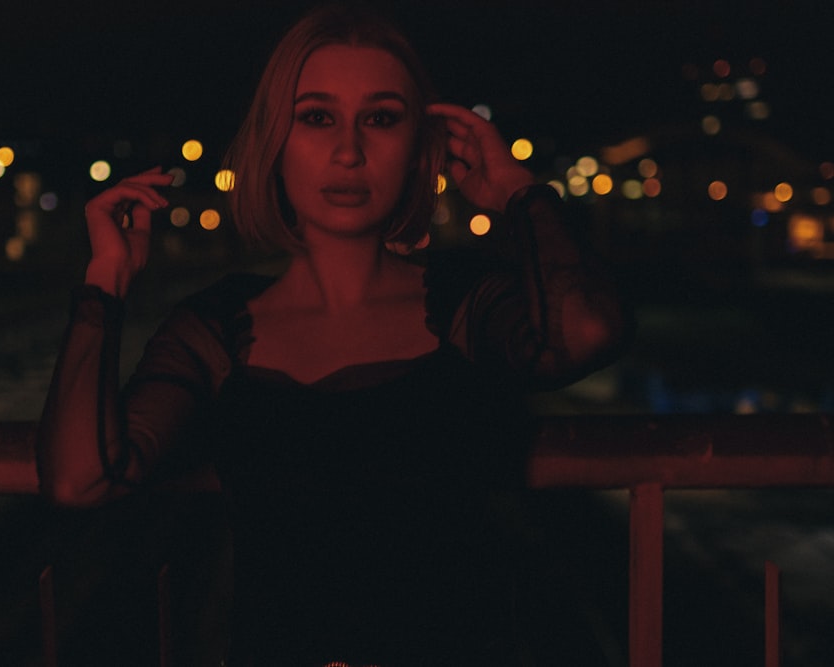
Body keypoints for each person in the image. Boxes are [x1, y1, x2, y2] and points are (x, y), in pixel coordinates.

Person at [37, 3, 632, 665]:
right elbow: (80, 479)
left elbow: (586, 330)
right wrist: (105, 280)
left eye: (380, 118)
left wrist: (520, 195)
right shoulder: (216, 329)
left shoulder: (464, 302)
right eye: (317, 117)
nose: (348, 151)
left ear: (416, 149)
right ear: (275, 143)